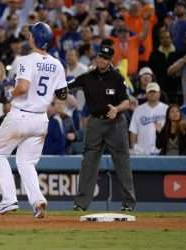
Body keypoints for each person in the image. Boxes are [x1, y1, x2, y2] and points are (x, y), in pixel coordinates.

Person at [0, 22, 68, 218]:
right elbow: (63, 95)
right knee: (26, 162)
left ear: (33, 38)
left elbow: (23, 87)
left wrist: (10, 93)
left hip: (21, 114)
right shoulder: (57, 64)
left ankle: (8, 200)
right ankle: (38, 200)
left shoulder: (25, 60)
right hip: (41, 120)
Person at [67, 45, 136, 211]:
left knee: (122, 162)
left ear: (110, 60)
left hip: (115, 123)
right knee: (88, 163)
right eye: (99, 56)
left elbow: (127, 102)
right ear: (96, 57)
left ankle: (128, 203)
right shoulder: (87, 77)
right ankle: (81, 204)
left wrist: (117, 109)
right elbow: (68, 86)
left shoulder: (117, 78)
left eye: (105, 58)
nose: (101, 60)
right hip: (95, 123)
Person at [129, 82, 169, 155]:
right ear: (146, 94)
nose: (152, 94)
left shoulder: (167, 109)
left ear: (159, 94)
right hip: (141, 152)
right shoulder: (138, 110)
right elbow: (133, 131)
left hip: (161, 151)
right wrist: (134, 147)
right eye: (150, 92)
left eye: (154, 92)